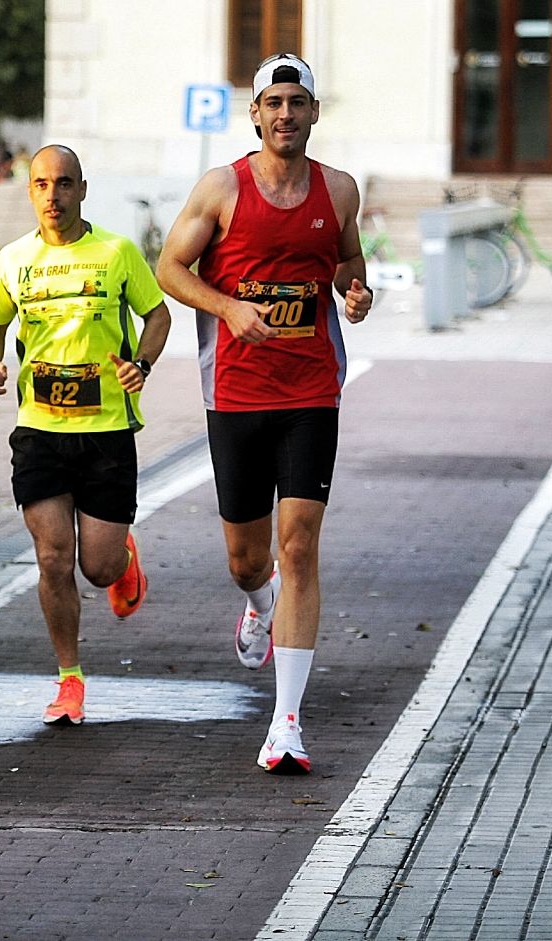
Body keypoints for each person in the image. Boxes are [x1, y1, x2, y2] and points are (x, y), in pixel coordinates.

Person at [156, 54, 372, 773]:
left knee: (300, 546)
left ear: (314, 112)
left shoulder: (338, 190)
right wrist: (228, 307)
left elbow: (345, 261)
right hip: (237, 394)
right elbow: (169, 269)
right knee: (246, 558)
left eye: (298, 101)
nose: (285, 113)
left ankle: (286, 723)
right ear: (254, 113)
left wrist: (355, 291)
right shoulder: (221, 187)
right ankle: (258, 602)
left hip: (310, 389)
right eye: (273, 102)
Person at [0, 144, 172, 726]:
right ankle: (69, 679)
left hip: (108, 431)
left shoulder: (116, 253)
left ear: (81, 190)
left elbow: (157, 313)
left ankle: (122, 560)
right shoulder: (13, 259)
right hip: (39, 430)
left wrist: (143, 362)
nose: (52, 196)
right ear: (30, 191)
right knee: (53, 557)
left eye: (63, 184)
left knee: (99, 569)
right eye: (41, 184)